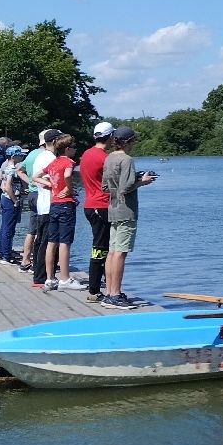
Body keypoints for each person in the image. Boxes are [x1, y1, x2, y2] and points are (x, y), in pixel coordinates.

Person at [101, 126, 155, 309]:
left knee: (112, 251)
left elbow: (105, 187)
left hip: (113, 208)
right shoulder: (127, 159)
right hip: (126, 210)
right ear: (128, 142)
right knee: (120, 253)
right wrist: (142, 181)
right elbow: (126, 188)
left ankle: (109, 292)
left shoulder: (109, 158)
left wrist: (133, 179)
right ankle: (115, 295)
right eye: (134, 140)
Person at [78, 122, 115, 302]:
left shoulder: (86, 154)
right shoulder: (104, 158)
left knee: (99, 247)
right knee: (100, 249)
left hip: (89, 204)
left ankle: (98, 286)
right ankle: (94, 290)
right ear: (109, 137)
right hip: (101, 205)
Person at [38, 134, 79, 290]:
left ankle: (50, 278)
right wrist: (68, 188)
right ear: (67, 149)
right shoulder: (68, 162)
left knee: (51, 241)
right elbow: (68, 174)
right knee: (65, 242)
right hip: (66, 205)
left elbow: (36, 177)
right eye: (73, 147)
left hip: (54, 204)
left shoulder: (53, 163)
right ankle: (65, 279)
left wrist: (50, 185)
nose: (75, 150)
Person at [20, 129, 61, 283]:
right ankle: (42, 276)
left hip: (41, 203)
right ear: (55, 141)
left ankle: (38, 274)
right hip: (49, 204)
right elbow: (47, 180)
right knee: (47, 241)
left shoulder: (40, 155)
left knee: (40, 240)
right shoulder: (50, 157)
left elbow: (34, 178)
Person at [0, 145, 28, 263]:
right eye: (19, 155)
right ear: (14, 156)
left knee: (4, 227)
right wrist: (15, 200)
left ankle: (3, 252)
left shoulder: (5, 167)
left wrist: (19, 190)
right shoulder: (12, 169)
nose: (22, 157)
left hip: (5, 198)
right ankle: (5, 256)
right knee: (8, 229)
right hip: (10, 201)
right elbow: (8, 186)